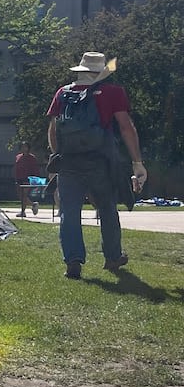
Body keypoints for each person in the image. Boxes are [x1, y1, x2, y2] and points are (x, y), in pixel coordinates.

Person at [47, 51, 147, 279]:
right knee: (107, 208)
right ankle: (112, 257)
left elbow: (53, 130)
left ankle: (73, 261)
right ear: (101, 72)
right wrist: (137, 162)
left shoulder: (64, 93)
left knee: (69, 212)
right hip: (100, 162)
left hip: (69, 162)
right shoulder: (112, 92)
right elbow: (125, 127)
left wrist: (58, 155)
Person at [13, 141, 41, 217]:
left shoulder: (32, 157)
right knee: (21, 196)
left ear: (28, 148)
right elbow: (16, 168)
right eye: (22, 147)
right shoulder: (18, 157)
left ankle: (23, 211)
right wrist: (16, 178)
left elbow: (35, 169)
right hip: (19, 178)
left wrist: (36, 179)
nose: (24, 148)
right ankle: (33, 204)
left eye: (25, 146)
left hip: (28, 179)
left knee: (24, 195)